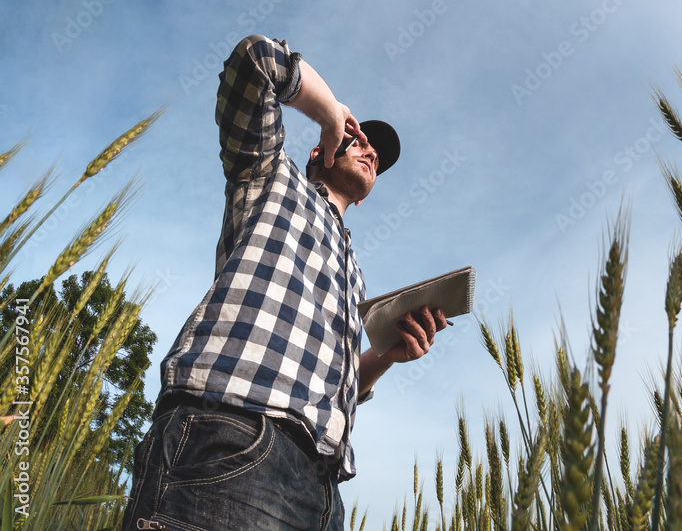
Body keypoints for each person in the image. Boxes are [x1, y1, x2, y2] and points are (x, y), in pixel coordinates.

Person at [121, 35, 447, 531]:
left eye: (378, 158)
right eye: (362, 142)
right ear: (325, 149)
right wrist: (331, 113)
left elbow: (327, 385)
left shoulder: (354, 267)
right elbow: (255, 62)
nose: (372, 155)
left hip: (322, 489)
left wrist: (385, 357)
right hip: (235, 442)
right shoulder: (270, 177)